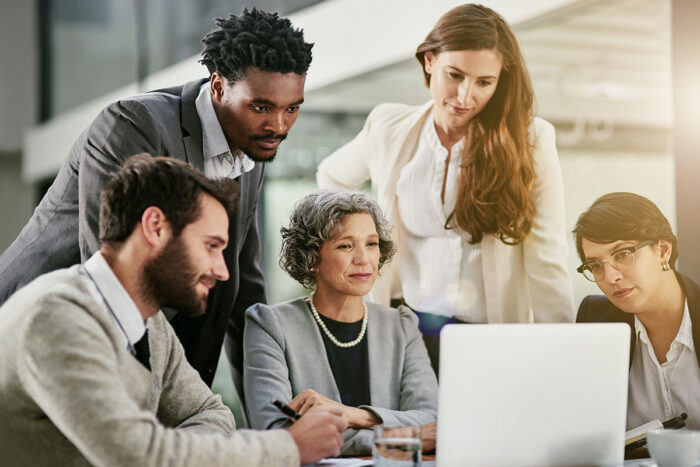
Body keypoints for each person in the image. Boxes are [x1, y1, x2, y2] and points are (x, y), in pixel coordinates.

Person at [0, 8, 312, 392]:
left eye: (292, 109)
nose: (279, 126)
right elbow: (114, 272)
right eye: (261, 107)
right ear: (217, 87)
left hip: (147, 358)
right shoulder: (133, 126)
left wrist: (276, 415)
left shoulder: (252, 148)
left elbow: (243, 287)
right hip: (41, 333)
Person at [0, 155, 347, 466]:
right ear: (155, 227)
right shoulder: (56, 317)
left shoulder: (150, 325)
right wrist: (288, 447)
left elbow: (210, 413)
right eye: (211, 246)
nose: (223, 271)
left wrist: (169, 450)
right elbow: (137, 456)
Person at [316, 3, 573, 372]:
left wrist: (563, 350)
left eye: (484, 82)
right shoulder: (389, 126)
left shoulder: (531, 139)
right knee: (412, 430)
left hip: (491, 338)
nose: (466, 96)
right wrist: (365, 239)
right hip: (407, 334)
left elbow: (547, 257)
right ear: (429, 61)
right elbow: (332, 177)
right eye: (455, 75)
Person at [243, 190, 438, 455]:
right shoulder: (269, 325)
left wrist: (354, 416)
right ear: (312, 257)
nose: (364, 259)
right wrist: (405, 436)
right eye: (346, 245)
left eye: (371, 244)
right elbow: (278, 433)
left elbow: (434, 420)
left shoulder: (402, 326)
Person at [574, 192, 700, 430]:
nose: (611, 277)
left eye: (623, 254)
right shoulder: (596, 320)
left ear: (663, 250)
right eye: (595, 266)